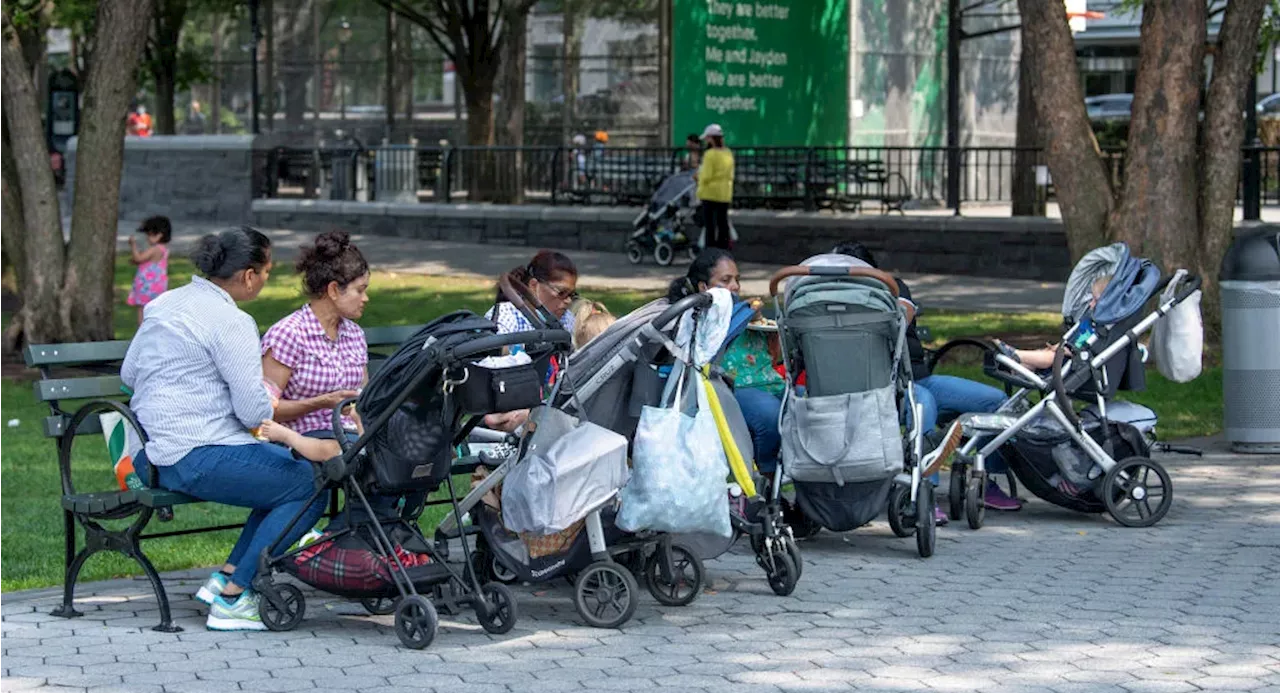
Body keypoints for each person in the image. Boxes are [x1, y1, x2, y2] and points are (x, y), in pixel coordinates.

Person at [125, 227, 327, 632]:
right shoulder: (232, 321)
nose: (267, 278)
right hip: (198, 454)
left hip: (152, 455)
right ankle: (234, 599)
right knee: (310, 485)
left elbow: (130, 372)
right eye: (267, 271)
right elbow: (254, 411)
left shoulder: (165, 303)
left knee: (280, 479)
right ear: (249, 275)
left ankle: (226, 578)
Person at [829, 242, 1020, 519]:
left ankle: (987, 481)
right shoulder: (831, 306)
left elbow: (903, 314)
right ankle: (924, 495)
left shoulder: (893, 287)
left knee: (995, 401)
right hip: (882, 389)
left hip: (920, 379)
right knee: (924, 405)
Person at [259, 230, 379, 530]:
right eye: (360, 290)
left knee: (398, 461)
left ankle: (357, 542)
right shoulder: (289, 334)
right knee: (372, 464)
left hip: (349, 438)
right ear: (334, 290)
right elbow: (265, 410)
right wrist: (321, 403)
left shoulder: (354, 334)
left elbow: (361, 401)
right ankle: (345, 545)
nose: (366, 298)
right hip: (302, 440)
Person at [483, 250, 580, 432]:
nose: (567, 301)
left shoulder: (565, 320)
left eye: (572, 295)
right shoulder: (506, 316)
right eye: (561, 292)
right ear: (534, 285)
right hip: (508, 403)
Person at [126, 216, 172, 326]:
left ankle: (142, 333)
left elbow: (139, 258)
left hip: (147, 286)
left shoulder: (155, 249)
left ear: (159, 235)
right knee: (154, 311)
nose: (147, 238)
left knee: (142, 310)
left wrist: (133, 246)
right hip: (158, 286)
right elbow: (145, 261)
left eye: (150, 235)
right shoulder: (163, 249)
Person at [695, 124, 734, 249]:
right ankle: (724, 250)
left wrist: (697, 177)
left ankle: (710, 250)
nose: (706, 141)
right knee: (723, 223)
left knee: (710, 226)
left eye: (707, 138)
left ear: (711, 138)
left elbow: (706, 175)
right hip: (724, 193)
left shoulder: (710, 154)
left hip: (710, 193)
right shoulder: (728, 153)